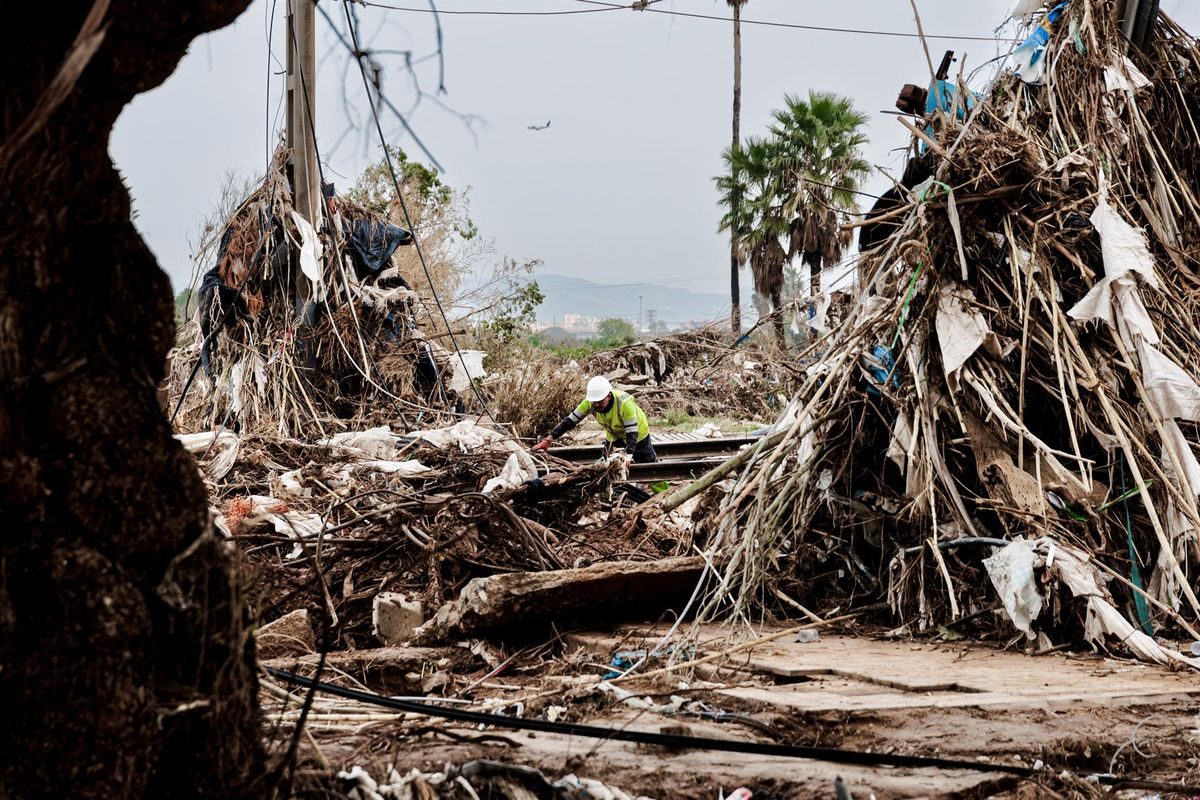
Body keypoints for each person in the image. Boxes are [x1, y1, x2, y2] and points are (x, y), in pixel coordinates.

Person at [533, 376, 657, 463]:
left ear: (608, 396)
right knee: (606, 463)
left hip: (638, 434)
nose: (597, 405)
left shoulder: (624, 403)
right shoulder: (589, 402)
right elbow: (569, 421)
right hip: (614, 436)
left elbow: (632, 433)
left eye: (600, 401)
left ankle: (663, 493)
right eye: (594, 402)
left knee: (649, 466)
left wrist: (629, 456)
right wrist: (548, 440)